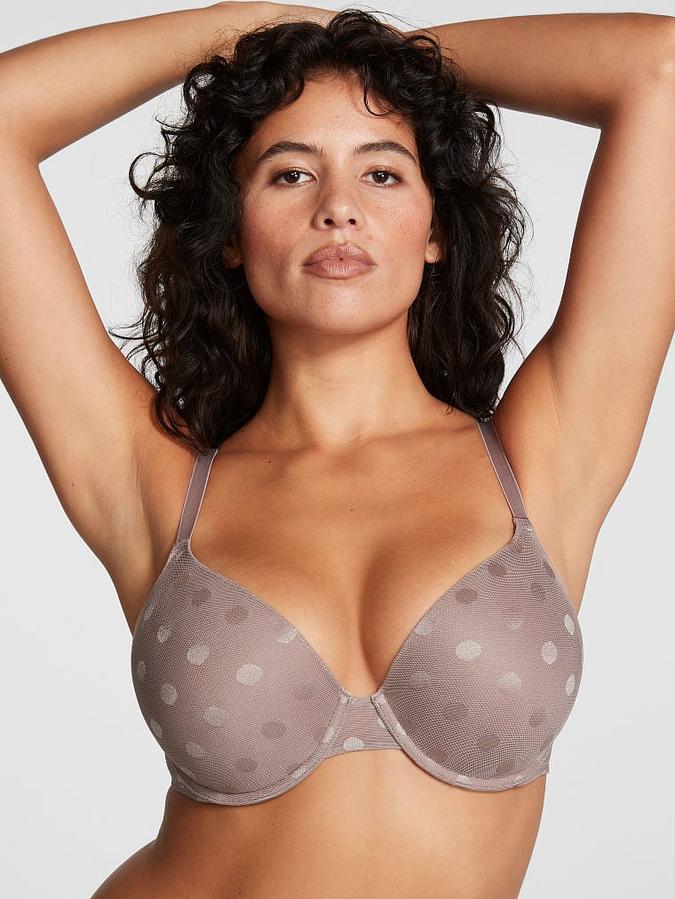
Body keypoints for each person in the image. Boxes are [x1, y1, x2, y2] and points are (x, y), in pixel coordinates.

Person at [1, 3, 672, 897]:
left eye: (382, 172)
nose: (338, 209)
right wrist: (263, 24)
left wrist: (384, 55)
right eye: (289, 174)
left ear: (435, 231)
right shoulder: (155, 481)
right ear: (231, 234)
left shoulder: (543, 454)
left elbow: (659, 70)